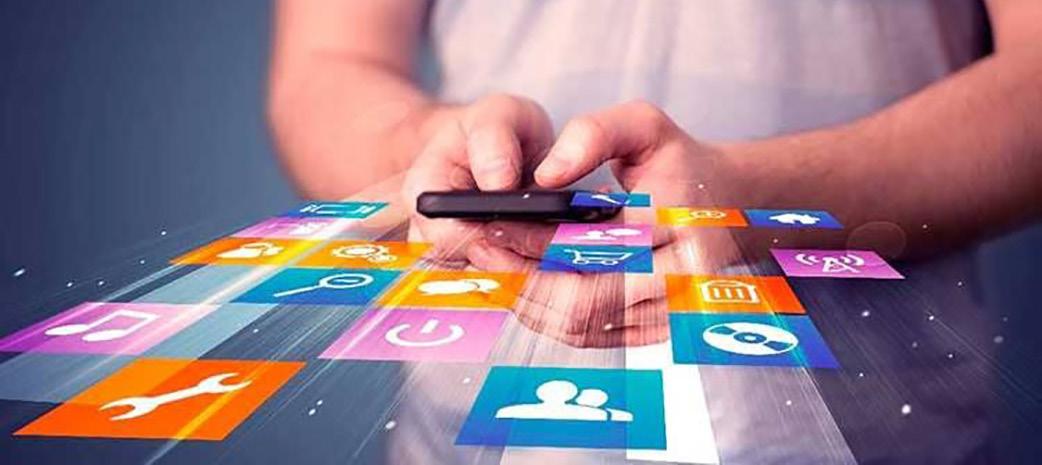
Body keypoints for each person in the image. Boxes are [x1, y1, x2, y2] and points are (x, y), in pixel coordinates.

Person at [268, 2, 1039, 462]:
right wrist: (429, 151)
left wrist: (750, 202)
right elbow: (327, 66)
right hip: (473, 436)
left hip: (866, 436)